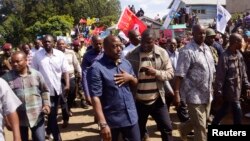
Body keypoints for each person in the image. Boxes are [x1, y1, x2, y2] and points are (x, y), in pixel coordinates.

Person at [87, 35, 140, 141]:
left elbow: (135, 82)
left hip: (131, 117)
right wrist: (103, 124)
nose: (119, 49)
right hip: (112, 121)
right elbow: (95, 98)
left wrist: (130, 78)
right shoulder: (96, 69)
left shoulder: (125, 63)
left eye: (120, 46)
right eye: (115, 46)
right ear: (105, 48)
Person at [126, 29, 174, 141]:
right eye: (142, 41)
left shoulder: (162, 53)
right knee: (138, 131)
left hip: (157, 100)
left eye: (148, 42)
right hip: (139, 101)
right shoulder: (132, 55)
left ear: (155, 41)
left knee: (167, 128)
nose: (144, 45)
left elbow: (170, 73)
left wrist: (156, 72)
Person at [174, 25, 215, 141]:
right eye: (199, 33)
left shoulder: (207, 49)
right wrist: (177, 93)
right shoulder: (187, 51)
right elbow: (179, 74)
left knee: (201, 119)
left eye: (204, 33)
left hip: (207, 93)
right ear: (193, 34)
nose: (202, 36)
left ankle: (183, 129)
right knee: (201, 126)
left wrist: (213, 88)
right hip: (193, 95)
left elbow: (212, 71)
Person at [2, 51, 51, 141]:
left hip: (37, 116)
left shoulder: (36, 74)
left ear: (26, 60)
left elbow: (45, 91)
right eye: (13, 62)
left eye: (18, 61)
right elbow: (3, 101)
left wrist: (46, 104)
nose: (15, 64)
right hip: (19, 119)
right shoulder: (6, 78)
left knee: (40, 139)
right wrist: (7, 120)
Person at [32, 34, 70, 141]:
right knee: (52, 114)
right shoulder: (37, 56)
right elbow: (33, 73)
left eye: (49, 42)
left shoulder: (60, 55)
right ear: (42, 43)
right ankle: (57, 138)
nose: (47, 43)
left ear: (53, 43)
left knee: (53, 114)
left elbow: (65, 70)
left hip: (58, 89)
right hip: (44, 91)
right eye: (45, 42)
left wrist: (67, 85)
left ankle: (48, 132)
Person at [212, 33, 250, 125]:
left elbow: (243, 72)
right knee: (238, 112)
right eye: (241, 41)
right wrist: (219, 93)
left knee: (225, 109)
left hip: (237, 90)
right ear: (236, 42)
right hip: (229, 91)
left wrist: (247, 86)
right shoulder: (225, 57)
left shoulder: (239, 55)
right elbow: (220, 77)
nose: (243, 43)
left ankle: (214, 123)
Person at [57, 39, 81, 127]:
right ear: (57, 45)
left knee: (72, 96)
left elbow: (76, 64)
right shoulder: (54, 54)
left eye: (63, 44)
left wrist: (80, 73)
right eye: (59, 44)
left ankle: (68, 108)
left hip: (71, 77)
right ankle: (65, 119)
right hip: (60, 79)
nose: (61, 45)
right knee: (63, 99)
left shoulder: (71, 52)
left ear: (66, 45)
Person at [82, 35, 103, 105]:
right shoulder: (87, 56)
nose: (99, 46)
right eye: (96, 44)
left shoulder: (107, 53)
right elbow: (84, 75)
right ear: (92, 43)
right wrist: (87, 94)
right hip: (94, 88)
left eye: (100, 43)